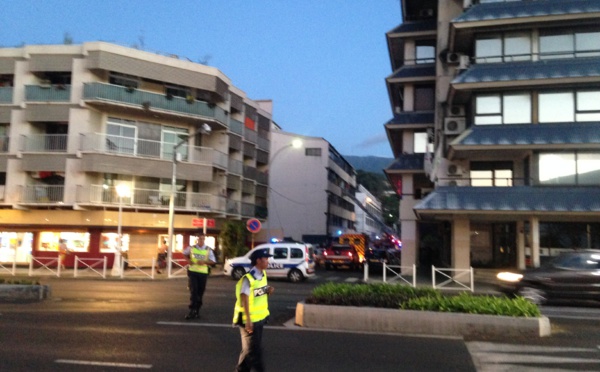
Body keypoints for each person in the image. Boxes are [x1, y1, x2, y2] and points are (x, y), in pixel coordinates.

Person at [233, 248, 274, 372]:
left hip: (259, 319)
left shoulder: (263, 274)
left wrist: (268, 290)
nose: (268, 261)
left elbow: (255, 293)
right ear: (258, 260)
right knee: (254, 352)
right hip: (248, 319)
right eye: (265, 259)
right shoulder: (248, 278)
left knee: (249, 351)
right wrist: (248, 320)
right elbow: (244, 298)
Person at [182, 235, 216, 320]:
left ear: (204, 239)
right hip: (193, 272)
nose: (201, 240)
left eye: (202, 238)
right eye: (199, 238)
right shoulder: (191, 248)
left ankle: (197, 310)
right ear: (197, 239)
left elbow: (213, 261)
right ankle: (192, 310)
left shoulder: (208, 249)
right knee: (194, 291)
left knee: (200, 292)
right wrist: (188, 260)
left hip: (203, 273)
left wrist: (204, 262)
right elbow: (184, 253)